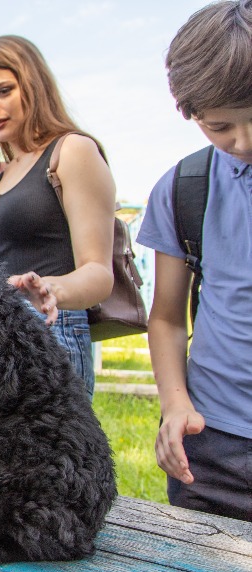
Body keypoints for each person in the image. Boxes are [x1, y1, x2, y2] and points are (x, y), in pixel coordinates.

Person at [137, 0, 251, 521]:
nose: (243, 143)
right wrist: (176, 404)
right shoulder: (184, 189)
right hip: (213, 448)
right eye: (220, 126)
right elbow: (164, 317)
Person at [0, 35, 116, 397]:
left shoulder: (72, 150)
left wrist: (49, 290)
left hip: (51, 329)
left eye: (2, 91)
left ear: (34, 84)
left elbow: (99, 273)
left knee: (48, 453)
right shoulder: (3, 174)